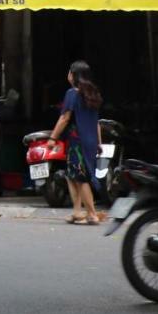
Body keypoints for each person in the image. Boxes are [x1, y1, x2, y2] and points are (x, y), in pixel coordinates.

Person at [47, 61, 105, 225]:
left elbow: (64, 118)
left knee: (81, 177)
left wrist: (53, 138)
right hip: (90, 140)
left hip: (77, 141)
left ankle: (92, 214)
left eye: (69, 72)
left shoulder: (72, 93)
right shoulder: (92, 93)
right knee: (72, 176)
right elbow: (96, 122)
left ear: (73, 75)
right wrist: (99, 143)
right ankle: (77, 212)